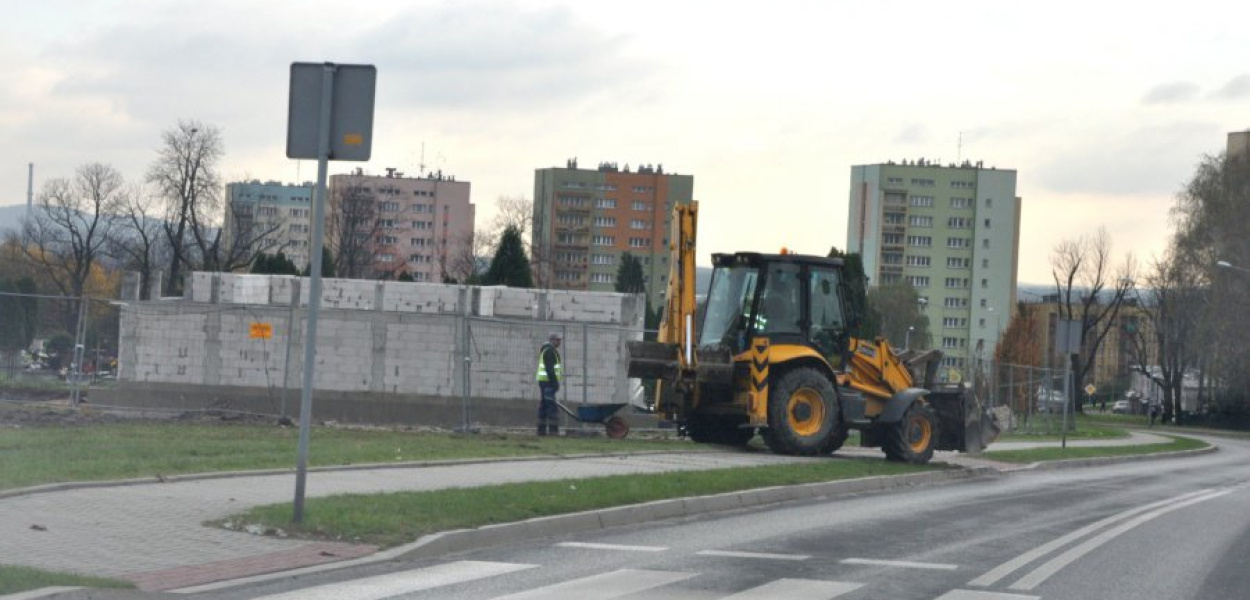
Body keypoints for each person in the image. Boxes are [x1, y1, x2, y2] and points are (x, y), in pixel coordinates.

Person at [536, 332, 564, 436]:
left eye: (560, 340)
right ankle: (553, 431)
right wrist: (555, 383)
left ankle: (541, 430)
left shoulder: (548, 350)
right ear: (552, 340)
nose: (559, 342)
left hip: (545, 382)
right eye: (557, 340)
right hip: (548, 382)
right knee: (551, 406)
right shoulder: (549, 351)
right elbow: (550, 369)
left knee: (544, 405)